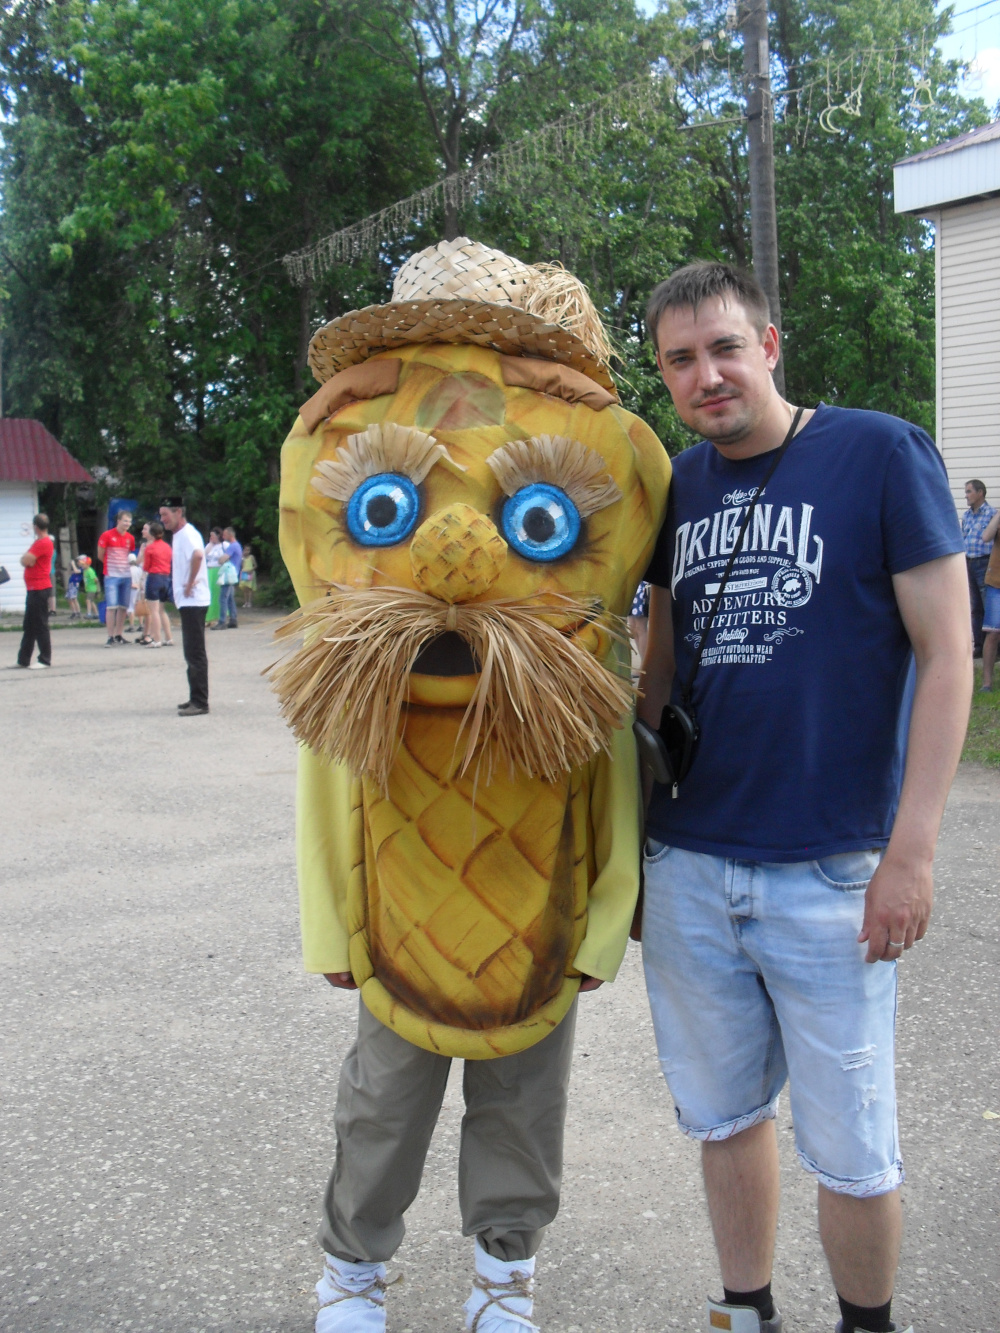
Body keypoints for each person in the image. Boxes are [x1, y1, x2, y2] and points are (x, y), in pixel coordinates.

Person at [271, 237, 669, 1333]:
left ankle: (504, 1274)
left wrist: (600, 923)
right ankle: (353, 1272)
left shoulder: (569, 646)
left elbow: (603, 777)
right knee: (382, 1104)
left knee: (523, 1108)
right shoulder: (364, 654)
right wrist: (332, 925)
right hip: (393, 915)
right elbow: (329, 782)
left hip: (537, 916)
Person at [636, 262, 971, 1333]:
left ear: (770, 345)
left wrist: (911, 850)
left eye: (725, 347)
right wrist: (628, 847)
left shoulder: (878, 453)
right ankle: (747, 1312)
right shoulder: (675, 487)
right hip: (689, 860)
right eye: (681, 359)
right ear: (664, 375)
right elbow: (659, 667)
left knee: (852, 1145)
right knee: (724, 1117)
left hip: (831, 867)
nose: (707, 374)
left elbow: (948, 653)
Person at [159, 498, 210, 715]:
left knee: (195, 652)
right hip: (187, 601)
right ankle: (194, 697)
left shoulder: (188, 533)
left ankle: (200, 702)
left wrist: (190, 583)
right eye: (161, 515)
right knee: (190, 652)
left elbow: (198, 555)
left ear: (178, 512)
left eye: (165, 515)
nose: (162, 520)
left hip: (194, 601)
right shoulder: (179, 535)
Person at [961, 479, 996, 658]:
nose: (966, 495)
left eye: (969, 491)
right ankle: (979, 646)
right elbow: (963, 537)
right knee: (975, 607)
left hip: (985, 563)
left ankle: (995, 647)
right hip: (969, 563)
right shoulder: (967, 516)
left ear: (980, 492)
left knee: (988, 605)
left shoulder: (991, 514)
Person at [15, 513, 54, 669]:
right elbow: (28, 561)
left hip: (39, 588)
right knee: (29, 625)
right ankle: (23, 659)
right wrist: (28, 560)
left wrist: (27, 559)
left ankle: (45, 659)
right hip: (34, 588)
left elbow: (25, 560)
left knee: (40, 624)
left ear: (35, 527)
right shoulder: (40, 542)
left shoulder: (42, 543)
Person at [97, 509, 136, 645]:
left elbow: (130, 555)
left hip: (126, 576)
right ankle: (110, 636)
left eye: (129, 521)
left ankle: (119, 634)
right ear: (118, 521)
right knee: (111, 607)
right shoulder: (107, 535)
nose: (127, 524)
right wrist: (110, 565)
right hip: (112, 575)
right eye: (125, 521)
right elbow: (100, 554)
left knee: (123, 607)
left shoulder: (130, 538)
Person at [141, 520, 174, 649]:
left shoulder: (150, 548)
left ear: (152, 534)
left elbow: (146, 566)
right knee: (161, 610)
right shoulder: (167, 547)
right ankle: (169, 637)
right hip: (166, 578)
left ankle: (157, 639)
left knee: (153, 611)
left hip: (154, 577)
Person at [979, 508, 1000, 691]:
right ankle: (987, 683)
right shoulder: (997, 517)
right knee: (993, 633)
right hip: (996, 583)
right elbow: (986, 537)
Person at [213, 524, 241, 629]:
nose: (223, 537)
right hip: (233, 574)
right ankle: (233, 619)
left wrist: (219, 559)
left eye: (225, 535)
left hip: (229, 575)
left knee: (223, 598)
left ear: (230, 535)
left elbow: (222, 559)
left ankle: (222, 621)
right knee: (230, 598)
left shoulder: (232, 546)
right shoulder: (237, 545)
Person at [205, 526, 225, 626]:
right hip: (209, 570)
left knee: (217, 593)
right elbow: (204, 555)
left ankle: (216, 616)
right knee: (209, 593)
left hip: (218, 570)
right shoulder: (210, 545)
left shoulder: (223, 545)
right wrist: (210, 544)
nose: (211, 537)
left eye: (213, 535)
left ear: (218, 536)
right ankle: (208, 617)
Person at [240, 544, 257, 608]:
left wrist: (251, 570)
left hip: (250, 573)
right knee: (244, 588)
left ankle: (249, 602)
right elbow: (242, 566)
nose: (247, 551)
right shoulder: (242, 558)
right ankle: (245, 602)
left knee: (249, 588)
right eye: (245, 550)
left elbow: (255, 565)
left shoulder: (251, 557)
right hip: (244, 573)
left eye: (248, 550)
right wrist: (242, 557)